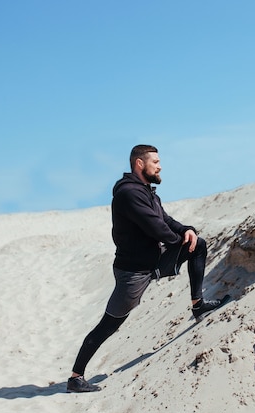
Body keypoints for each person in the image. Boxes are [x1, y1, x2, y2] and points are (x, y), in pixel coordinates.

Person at [67, 144, 229, 393]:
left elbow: (165, 219)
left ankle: (198, 305)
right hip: (133, 271)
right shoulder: (129, 194)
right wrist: (178, 242)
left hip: (153, 259)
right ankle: (76, 377)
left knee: (199, 245)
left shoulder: (147, 192)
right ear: (139, 164)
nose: (160, 165)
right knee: (110, 324)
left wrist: (187, 229)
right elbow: (155, 227)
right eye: (155, 161)